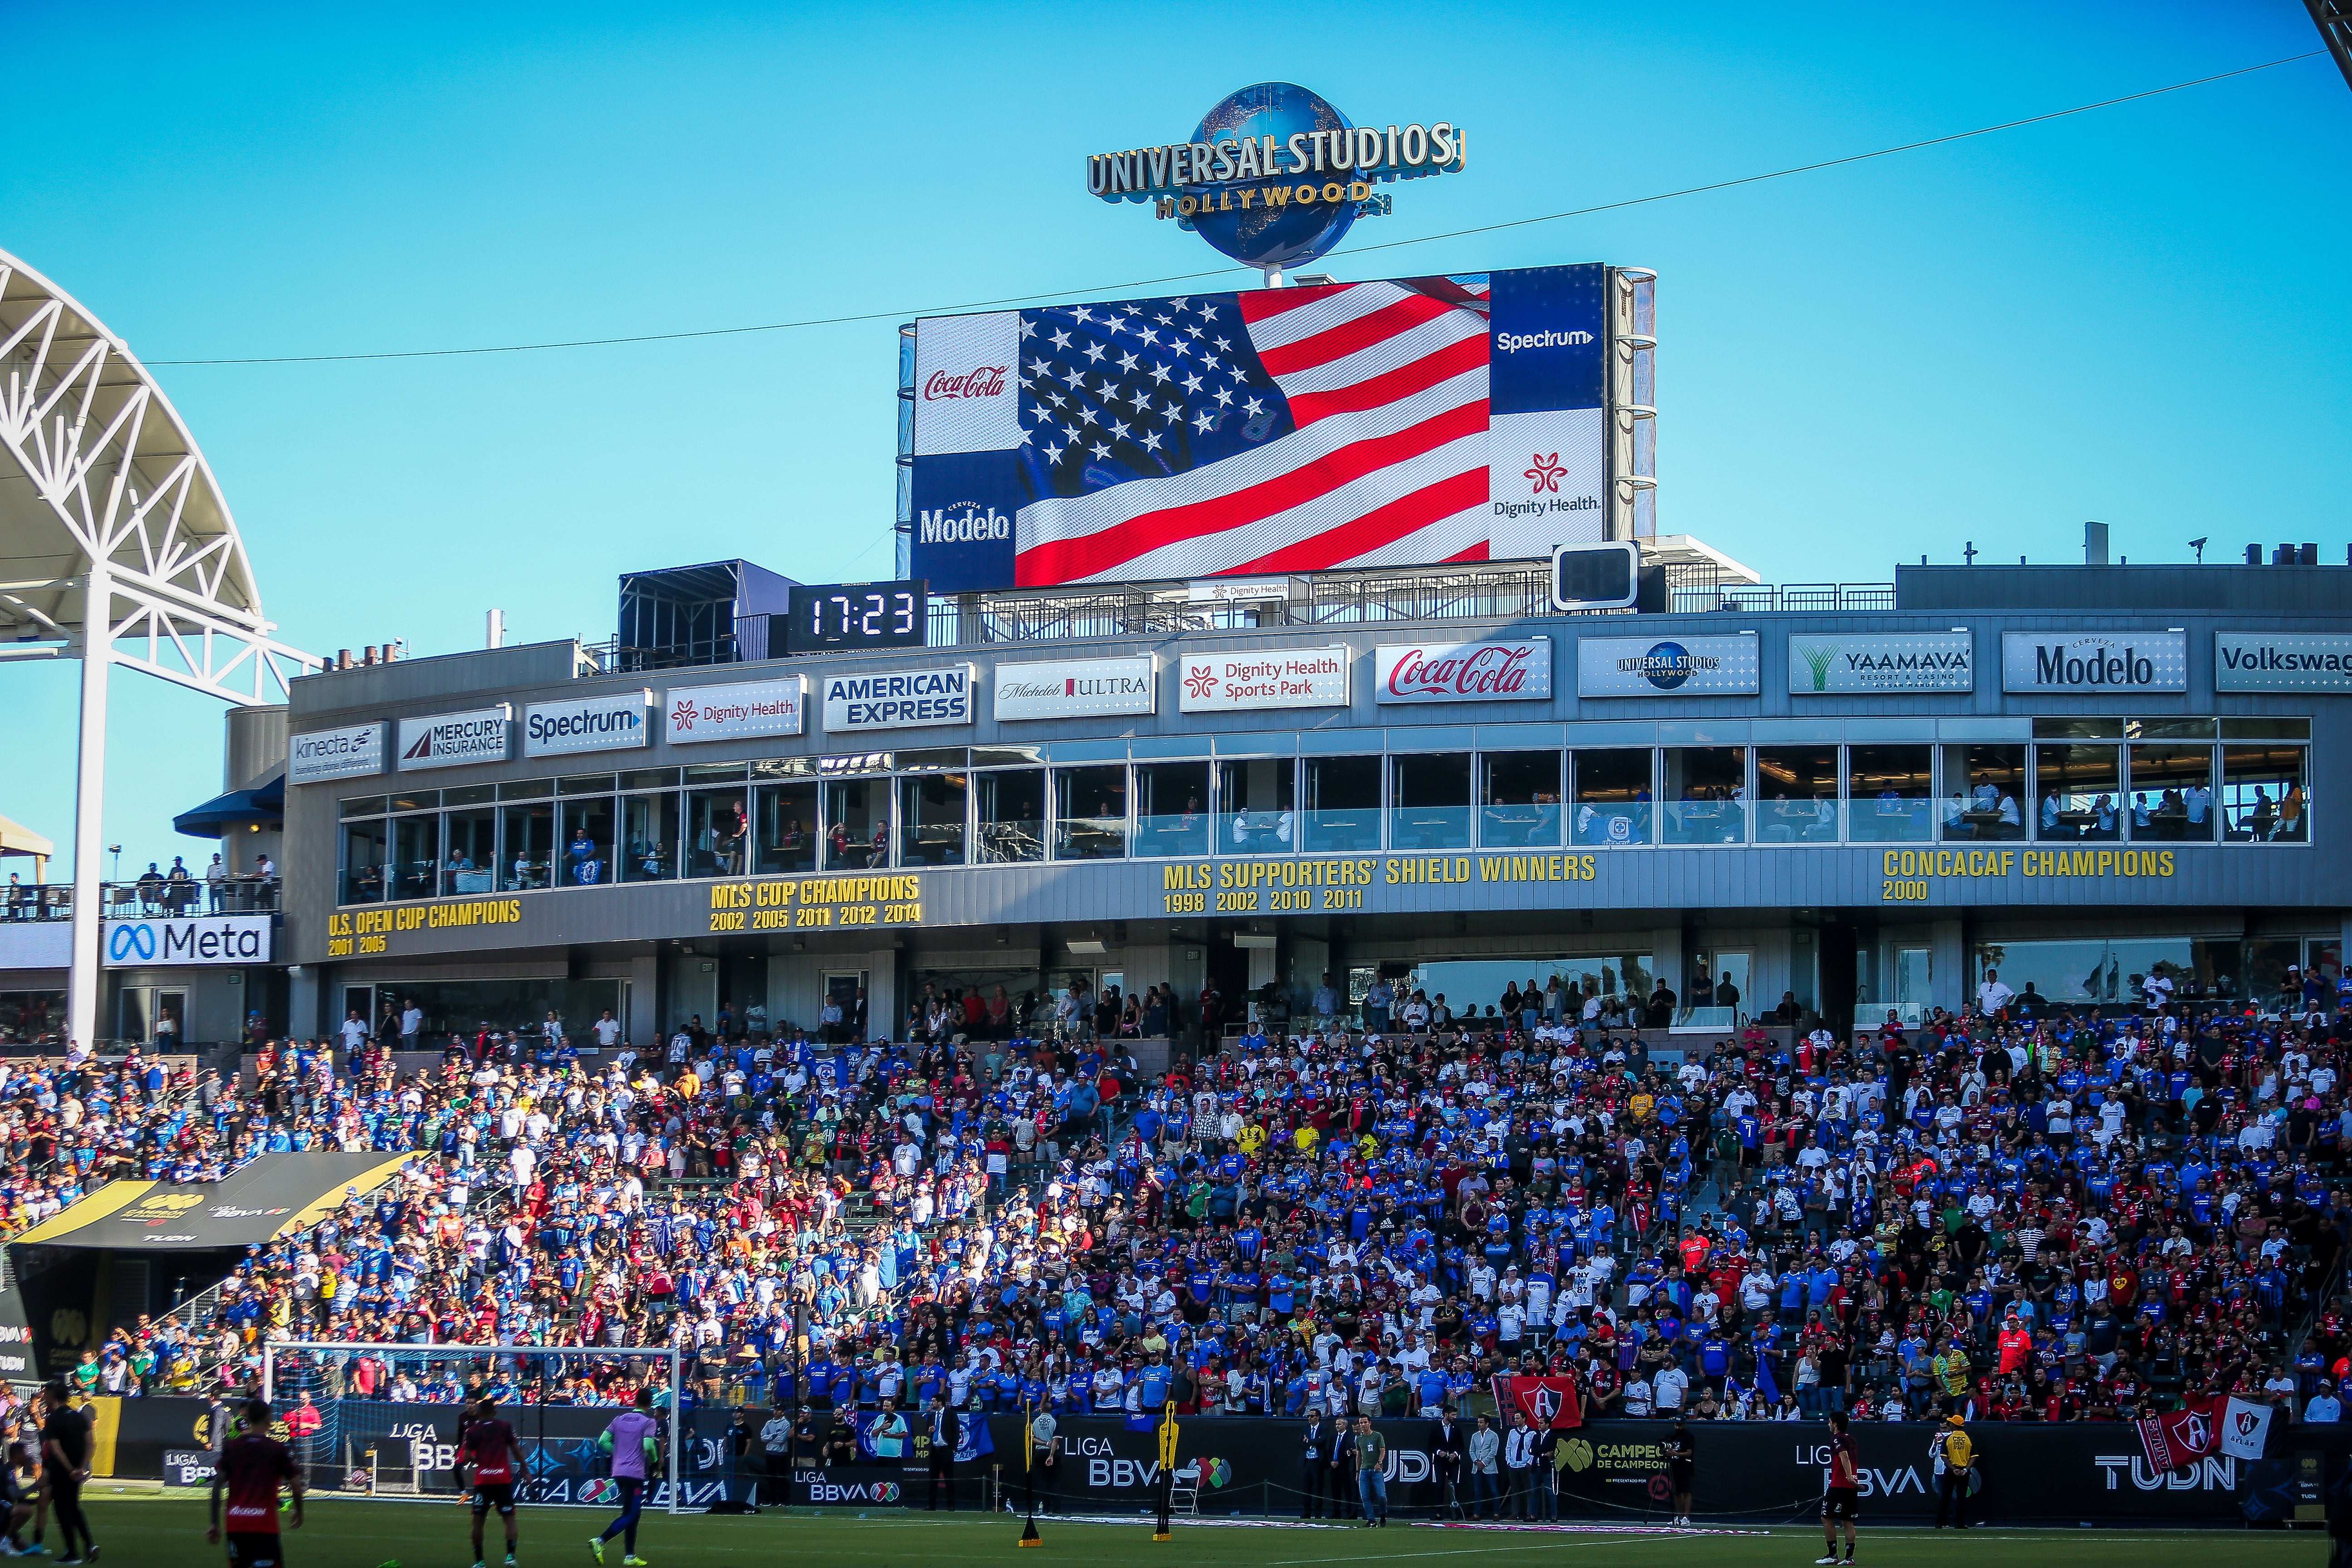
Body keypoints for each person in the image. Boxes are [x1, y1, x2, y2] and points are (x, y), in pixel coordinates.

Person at [207, 1396, 300, 1568]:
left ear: (248, 1419)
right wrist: (299, 1512)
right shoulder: (276, 1449)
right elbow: (296, 1485)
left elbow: (217, 1486)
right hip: (264, 1526)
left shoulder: (232, 1447)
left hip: (236, 1524)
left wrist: (214, 1523)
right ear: (269, 1419)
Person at [589, 1388, 662, 1566]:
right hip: (634, 1474)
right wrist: (654, 1462)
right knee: (631, 1514)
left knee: (632, 1514)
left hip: (618, 1472)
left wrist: (620, 1455)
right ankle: (600, 1541)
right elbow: (647, 1446)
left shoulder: (619, 1419)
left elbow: (603, 1441)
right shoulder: (649, 1422)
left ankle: (630, 1556)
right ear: (650, 1403)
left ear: (635, 1400)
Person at [460, 1394, 523, 1568]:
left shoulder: (472, 1431)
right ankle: (510, 1557)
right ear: (495, 1412)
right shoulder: (505, 1426)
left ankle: (479, 1562)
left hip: (483, 1481)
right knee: (509, 1519)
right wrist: (525, 1470)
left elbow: (466, 1458)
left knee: (478, 1521)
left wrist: (477, 1460)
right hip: (503, 1479)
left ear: (479, 1413)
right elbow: (516, 1450)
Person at [40, 1382, 95, 1565]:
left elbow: (55, 1448)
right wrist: (81, 1468)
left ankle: (72, 1553)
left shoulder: (54, 1419)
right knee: (74, 1507)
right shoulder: (79, 1417)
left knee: (63, 1510)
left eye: (46, 1393)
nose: (44, 1396)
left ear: (53, 1396)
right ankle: (89, 1545)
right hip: (77, 1471)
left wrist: (70, 1469)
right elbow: (91, 1444)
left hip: (62, 1471)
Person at [1818, 1408, 1860, 1563]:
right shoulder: (1852, 1439)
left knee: (1826, 1517)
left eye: (1830, 1422)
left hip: (1839, 1485)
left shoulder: (1837, 1438)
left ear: (1835, 1424)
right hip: (1850, 1488)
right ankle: (1849, 1558)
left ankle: (1832, 1555)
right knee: (1847, 1521)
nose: (1829, 1425)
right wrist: (1853, 1478)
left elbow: (1844, 1456)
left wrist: (1849, 1477)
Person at [1931, 1411, 1973, 1529]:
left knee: (1945, 1497)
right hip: (1964, 1471)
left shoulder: (1948, 1439)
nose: (1949, 1425)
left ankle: (1940, 1522)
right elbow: (1974, 1456)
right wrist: (1965, 1469)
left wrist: (1954, 1469)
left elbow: (1944, 1456)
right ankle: (1959, 1523)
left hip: (1951, 1470)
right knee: (1961, 1498)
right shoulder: (1968, 1439)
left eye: (1951, 1423)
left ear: (1954, 1426)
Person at [1350, 1415, 1388, 1528]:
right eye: (1361, 1423)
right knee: (1365, 1497)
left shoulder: (1377, 1436)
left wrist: (1380, 1463)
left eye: (1365, 1422)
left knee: (1381, 1496)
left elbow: (1383, 1451)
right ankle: (1372, 1520)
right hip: (1364, 1470)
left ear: (1370, 1423)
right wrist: (1357, 1472)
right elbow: (1359, 1456)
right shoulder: (1359, 1439)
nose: (1363, 1425)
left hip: (1376, 1470)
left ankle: (1382, 1515)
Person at [1661, 1412, 1696, 1526]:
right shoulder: (1672, 1435)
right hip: (1674, 1465)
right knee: (1677, 1492)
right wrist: (1667, 1452)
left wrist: (1676, 1453)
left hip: (1685, 1466)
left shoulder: (1689, 1436)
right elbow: (1666, 1447)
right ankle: (1679, 1517)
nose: (1678, 1426)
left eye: (1680, 1425)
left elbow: (1689, 1453)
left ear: (1684, 1424)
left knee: (1686, 1491)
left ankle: (1687, 1518)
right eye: (1676, 1424)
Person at [925, 1396, 957, 1511]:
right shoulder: (932, 1416)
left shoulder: (951, 1414)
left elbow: (956, 1431)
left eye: (933, 1401)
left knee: (949, 1478)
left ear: (940, 1403)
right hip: (935, 1450)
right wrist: (929, 1433)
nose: (932, 1403)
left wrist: (953, 1448)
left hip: (946, 1450)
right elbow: (927, 1433)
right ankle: (931, 1505)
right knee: (933, 1478)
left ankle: (951, 1505)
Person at [1299, 1411, 1331, 1520]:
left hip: (1317, 1462)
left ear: (1318, 1417)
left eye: (1312, 1416)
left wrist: (1308, 1441)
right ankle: (1306, 1512)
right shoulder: (1305, 1429)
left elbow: (1322, 1441)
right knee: (1306, 1488)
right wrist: (1310, 1444)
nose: (1310, 1418)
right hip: (1307, 1461)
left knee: (1318, 1488)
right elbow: (1300, 1443)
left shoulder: (1323, 1428)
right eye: (1309, 1416)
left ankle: (1318, 1513)